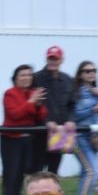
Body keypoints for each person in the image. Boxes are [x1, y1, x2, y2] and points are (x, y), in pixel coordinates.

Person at [0, 64, 46, 195]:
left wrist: (38, 104)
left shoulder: (34, 92)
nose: (26, 78)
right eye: (23, 75)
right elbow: (15, 115)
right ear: (15, 78)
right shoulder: (10, 93)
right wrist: (31, 102)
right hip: (11, 138)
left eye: (29, 75)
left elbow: (43, 115)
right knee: (12, 171)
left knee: (27, 170)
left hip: (29, 138)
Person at [71, 60, 98, 195]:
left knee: (86, 172)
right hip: (77, 138)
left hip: (93, 138)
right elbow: (74, 115)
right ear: (80, 75)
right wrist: (95, 109)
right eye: (87, 71)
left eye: (94, 70)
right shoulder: (76, 92)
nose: (92, 73)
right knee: (91, 171)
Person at [32, 45, 75, 174]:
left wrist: (70, 120)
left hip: (59, 131)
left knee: (54, 170)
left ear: (61, 60)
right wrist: (46, 121)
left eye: (55, 59)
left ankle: (52, 194)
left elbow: (72, 104)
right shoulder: (36, 78)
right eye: (50, 58)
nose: (53, 61)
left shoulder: (68, 80)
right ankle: (34, 194)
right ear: (46, 59)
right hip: (40, 132)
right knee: (36, 170)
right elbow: (34, 104)